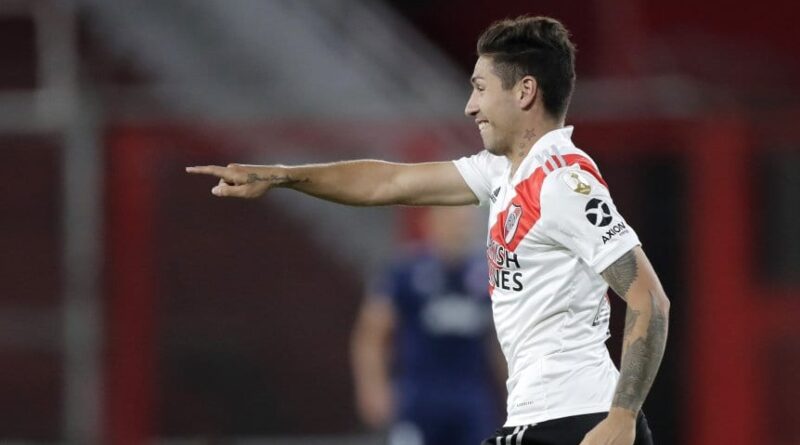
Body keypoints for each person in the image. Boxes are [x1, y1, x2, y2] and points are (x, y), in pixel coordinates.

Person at [186, 15, 669, 445]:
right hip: (539, 418)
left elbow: (649, 297)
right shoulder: (503, 172)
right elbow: (387, 182)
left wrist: (622, 417)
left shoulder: (563, 182)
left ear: (524, 92)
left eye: (480, 88)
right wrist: (281, 175)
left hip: (578, 421)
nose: (470, 106)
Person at [351, 206, 503, 445]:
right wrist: (372, 387)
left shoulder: (488, 274)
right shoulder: (405, 271)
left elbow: (500, 341)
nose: (459, 228)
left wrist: (515, 391)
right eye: (452, 220)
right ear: (431, 222)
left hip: (471, 398)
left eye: (464, 222)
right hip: (419, 398)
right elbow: (372, 333)